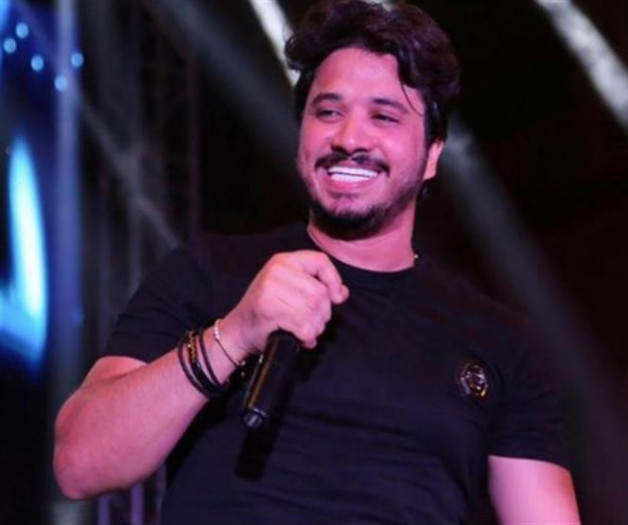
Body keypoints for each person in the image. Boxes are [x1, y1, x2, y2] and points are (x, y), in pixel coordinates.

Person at [54, 1, 580, 523]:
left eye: (383, 116)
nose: (349, 139)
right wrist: (235, 334)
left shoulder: (497, 340)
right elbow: (80, 465)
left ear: (433, 153)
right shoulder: (209, 271)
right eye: (328, 112)